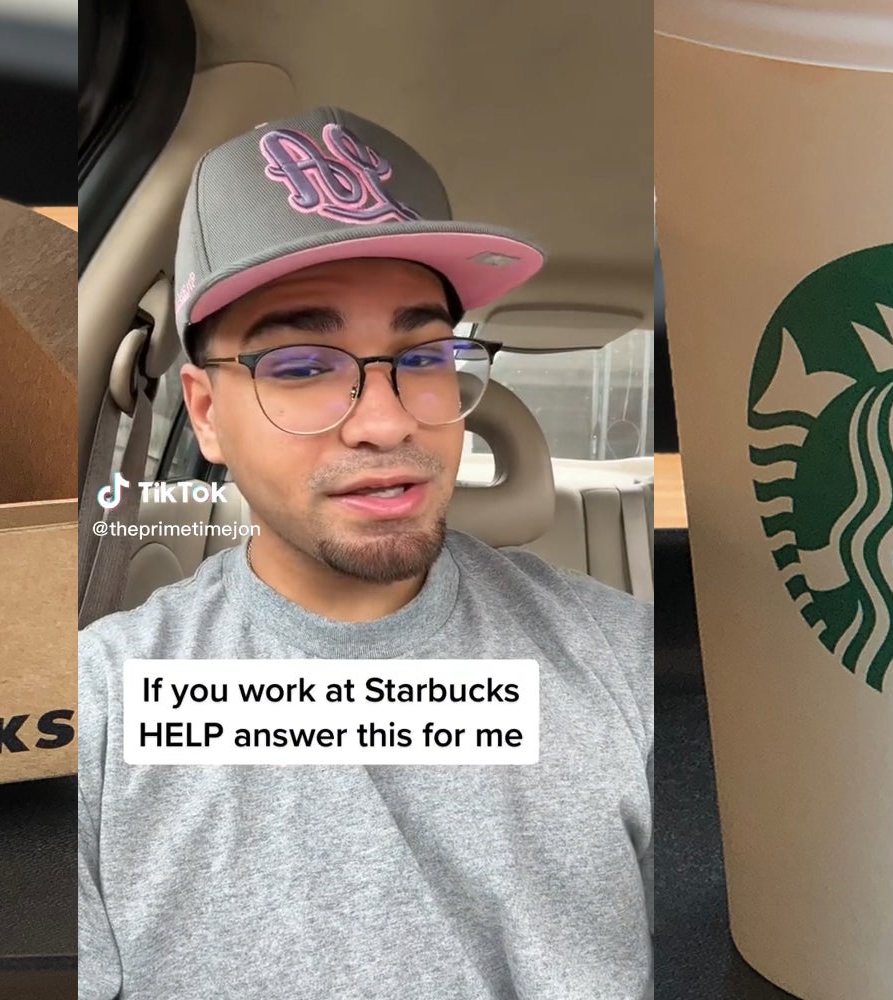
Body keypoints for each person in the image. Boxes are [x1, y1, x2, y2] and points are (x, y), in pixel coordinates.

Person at [77, 108, 652, 999]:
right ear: (202, 412)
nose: (387, 422)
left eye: (423, 356)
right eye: (302, 366)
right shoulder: (101, 707)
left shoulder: (626, 664)